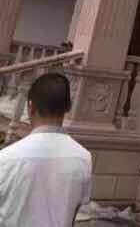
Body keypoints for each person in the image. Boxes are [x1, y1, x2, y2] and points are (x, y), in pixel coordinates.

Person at [0, 72, 92, 227]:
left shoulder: (6, 158)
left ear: (31, 107)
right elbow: (73, 214)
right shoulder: (83, 158)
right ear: (68, 107)